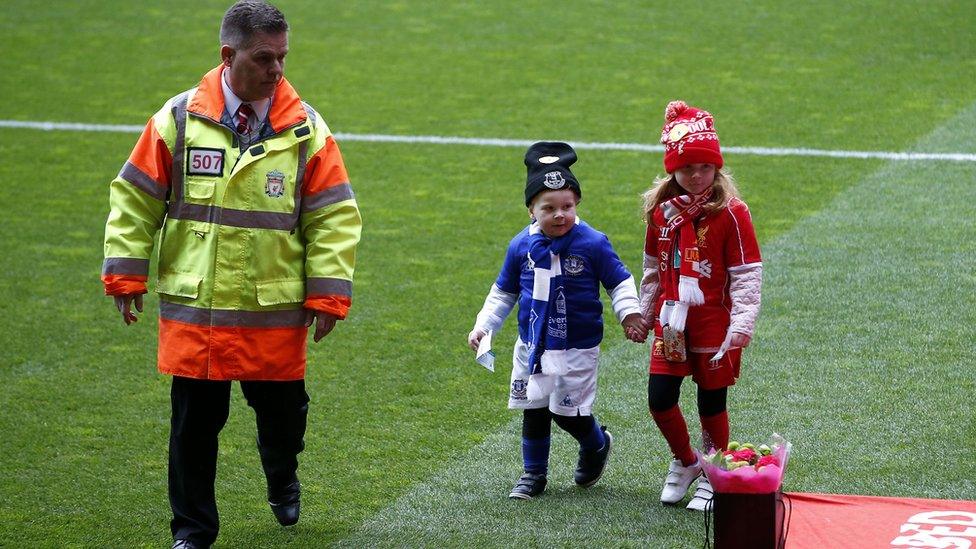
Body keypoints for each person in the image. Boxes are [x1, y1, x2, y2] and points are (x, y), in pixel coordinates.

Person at [100, 2, 362, 547]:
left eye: (283, 57)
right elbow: (134, 200)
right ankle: (192, 531)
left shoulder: (306, 129)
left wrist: (329, 295)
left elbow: (334, 215)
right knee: (193, 430)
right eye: (264, 58)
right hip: (201, 312)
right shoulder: (176, 120)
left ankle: (282, 476)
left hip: (272, 311)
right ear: (228, 55)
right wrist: (125, 276)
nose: (277, 71)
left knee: (285, 422)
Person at [468, 141, 649, 500]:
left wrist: (629, 314)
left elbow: (619, 280)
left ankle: (596, 443)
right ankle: (534, 474)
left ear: (576, 204)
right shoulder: (520, 246)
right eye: (548, 208)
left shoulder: (593, 243)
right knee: (534, 409)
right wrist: (484, 325)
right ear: (531, 210)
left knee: (567, 413)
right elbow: (503, 292)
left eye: (567, 206)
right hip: (533, 343)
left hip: (577, 347)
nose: (559, 215)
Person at [640, 100, 762, 511]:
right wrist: (644, 312)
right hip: (672, 321)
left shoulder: (733, 213)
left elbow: (746, 272)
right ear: (673, 169)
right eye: (688, 168)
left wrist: (743, 321)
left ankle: (713, 470)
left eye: (705, 167)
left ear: (718, 168)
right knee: (660, 397)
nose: (696, 176)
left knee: (712, 400)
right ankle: (687, 460)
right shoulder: (662, 214)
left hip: (714, 323)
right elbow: (653, 269)